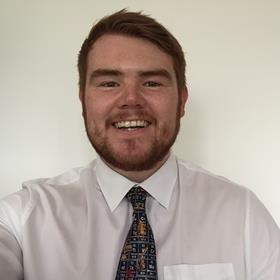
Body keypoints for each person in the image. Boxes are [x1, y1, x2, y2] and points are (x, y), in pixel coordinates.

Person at [0, 9, 279, 280]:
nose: (130, 99)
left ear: (181, 101)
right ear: (83, 101)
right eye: (109, 83)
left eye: (152, 83)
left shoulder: (243, 215)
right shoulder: (20, 219)